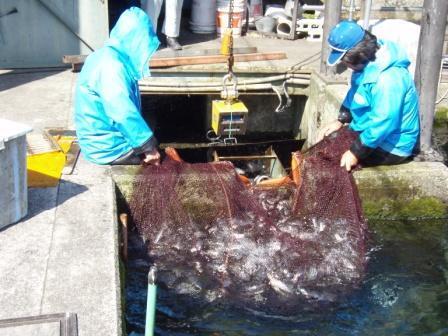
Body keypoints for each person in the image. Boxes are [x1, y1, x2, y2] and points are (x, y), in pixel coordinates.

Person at [318, 20, 420, 171]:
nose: (346, 67)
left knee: (334, 164)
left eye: (347, 63)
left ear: (360, 55)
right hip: (369, 131)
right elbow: (355, 94)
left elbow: (384, 122)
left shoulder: (388, 79)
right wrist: (341, 120)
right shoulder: (365, 66)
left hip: (392, 144)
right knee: (326, 143)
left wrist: (355, 152)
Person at [74, 7, 161, 165]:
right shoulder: (112, 67)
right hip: (108, 149)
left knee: (150, 121)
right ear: (136, 41)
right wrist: (148, 148)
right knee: (154, 139)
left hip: (97, 138)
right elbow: (122, 112)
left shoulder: (105, 55)